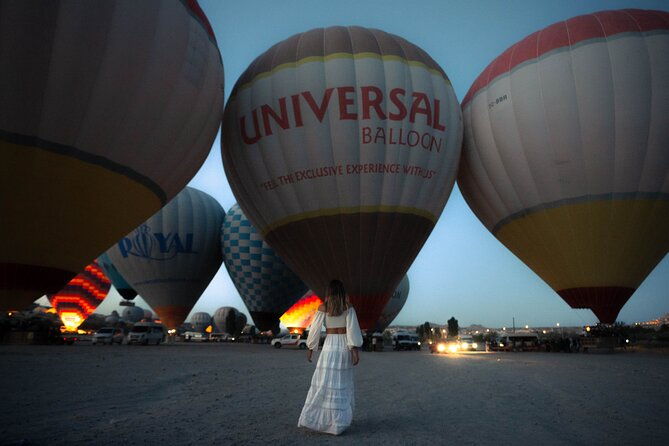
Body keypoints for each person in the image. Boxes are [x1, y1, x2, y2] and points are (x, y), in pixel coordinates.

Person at [298, 279, 363, 435]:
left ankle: (321, 419)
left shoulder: (323, 308)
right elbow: (352, 331)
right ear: (342, 292)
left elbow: (315, 329)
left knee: (324, 382)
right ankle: (338, 422)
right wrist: (354, 351)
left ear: (329, 292)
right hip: (343, 347)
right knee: (341, 382)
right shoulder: (348, 308)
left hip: (328, 346)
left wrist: (311, 348)